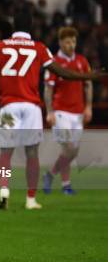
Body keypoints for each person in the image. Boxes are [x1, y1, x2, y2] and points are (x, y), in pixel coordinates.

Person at [0, 8, 104, 210]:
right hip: (31, 108)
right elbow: (63, 73)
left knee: (5, 152)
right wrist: (88, 77)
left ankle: (4, 190)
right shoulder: (39, 48)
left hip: (9, 107)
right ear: (31, 26)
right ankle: (30, 199)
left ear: (13, 26)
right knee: (32, 153)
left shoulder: (0, 47)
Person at [43, 27, 92, 195]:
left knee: (72, 151)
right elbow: (48, 89)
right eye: (68, 42)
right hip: (60, 112)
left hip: (78, 113)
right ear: (60, 43)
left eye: (73, 41)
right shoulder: (54, 63)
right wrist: (49, 112)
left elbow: (88, 84)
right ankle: (66, 185)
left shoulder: (82, 61)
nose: (71, 45)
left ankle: (50, 175)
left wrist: (88, 106)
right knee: (69, 149)